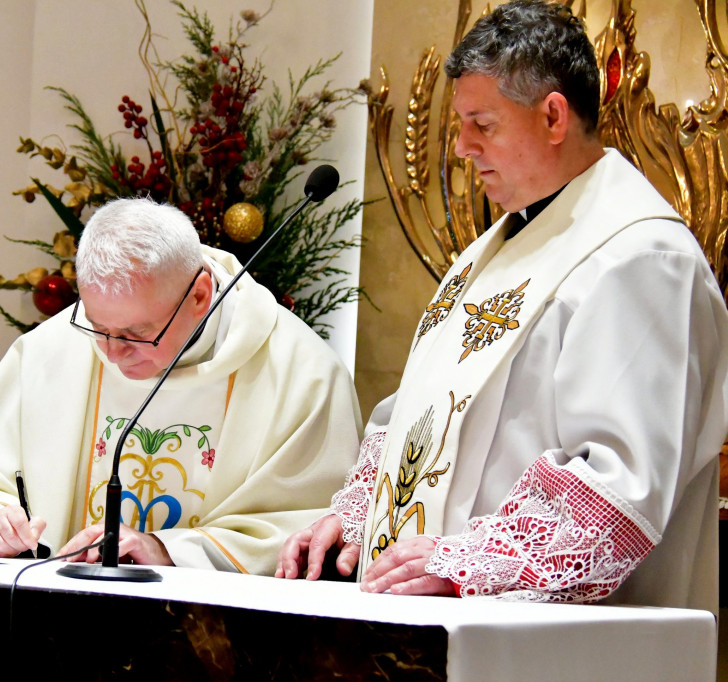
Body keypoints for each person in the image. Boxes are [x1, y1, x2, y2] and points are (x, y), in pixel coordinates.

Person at [277, 0, 728, 612]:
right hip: (432, 626)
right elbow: (409, 415)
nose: (462, 147)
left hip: (563, 648)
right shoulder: (488, 254)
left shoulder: (642, 258)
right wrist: (353, 524)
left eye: (481, 124)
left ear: (552, 115)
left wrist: (464, 561)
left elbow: (624, 484)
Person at [0, 196, 362, 574]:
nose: (112, 354)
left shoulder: (303, 374)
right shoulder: (50, 350)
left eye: (137, 334)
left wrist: (165, 549)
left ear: (199, 296)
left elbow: (311, 526)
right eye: (98, 328)